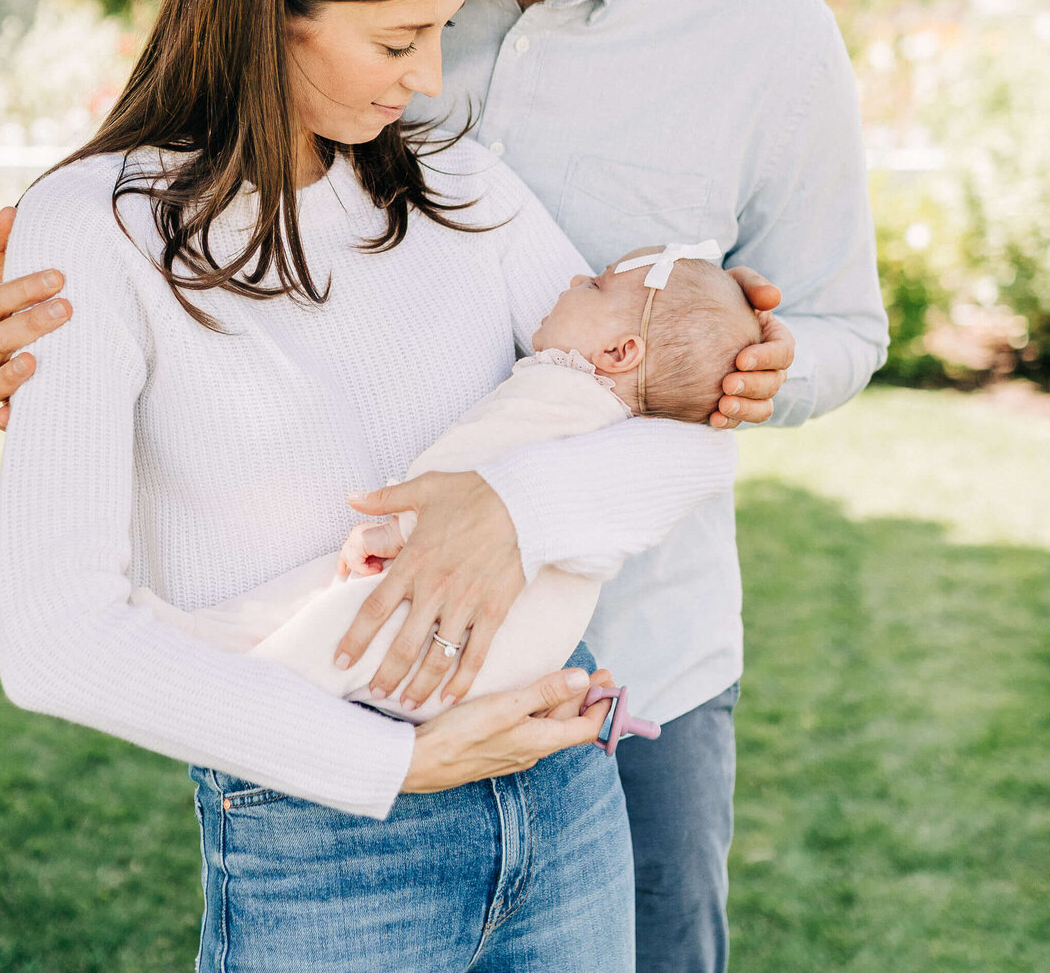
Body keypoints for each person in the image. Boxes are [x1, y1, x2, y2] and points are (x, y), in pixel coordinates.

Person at [0, 0, 888, 973]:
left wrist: (551, 487)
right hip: (330, 785)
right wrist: (52, 329)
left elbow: (729, 357)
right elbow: (165, 185)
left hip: (606, 700)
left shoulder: (738, 46)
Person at [131, 244, 762, 722]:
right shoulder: (613, 423)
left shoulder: (560, 391)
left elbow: (466, 467)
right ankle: (215, 645)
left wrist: (391, 527)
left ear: (620, 352)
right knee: (319, 612)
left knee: (328, 628)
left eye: (593, 286)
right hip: (516, 658)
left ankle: (217, 671)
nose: (573, 279)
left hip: (452, 629)